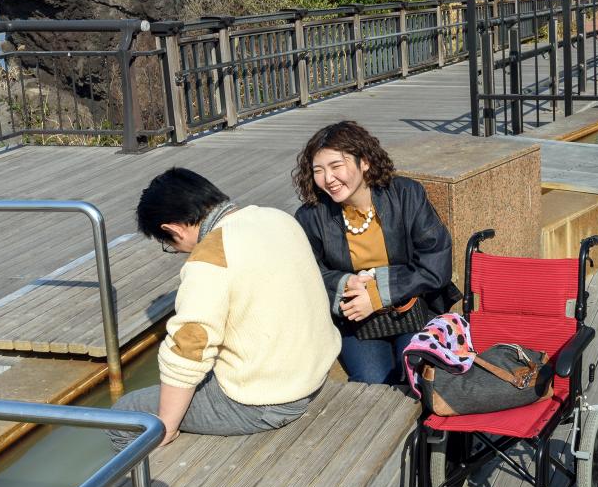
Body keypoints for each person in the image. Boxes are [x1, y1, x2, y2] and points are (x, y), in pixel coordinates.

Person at [112, 167, 340, 447]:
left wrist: (167, 426)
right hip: (312, 375)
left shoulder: (211, 255)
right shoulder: (278, 218)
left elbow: (188, 350)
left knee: (126, 412)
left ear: (172, 229)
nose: (178, 251)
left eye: (168, 245)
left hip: (266, 402)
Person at [293, 121, 456, 385]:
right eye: (318, 171)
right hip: (355, 319)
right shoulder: (312, 216)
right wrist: (344, 282)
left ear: (364, 162)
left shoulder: (406, 194)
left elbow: (436, 262)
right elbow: (306, 274)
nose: (328, 179)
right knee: (371, 381)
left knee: (416, 373)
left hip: (412, 307)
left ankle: (428, 428)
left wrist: (379, 292)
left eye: (336, 166)